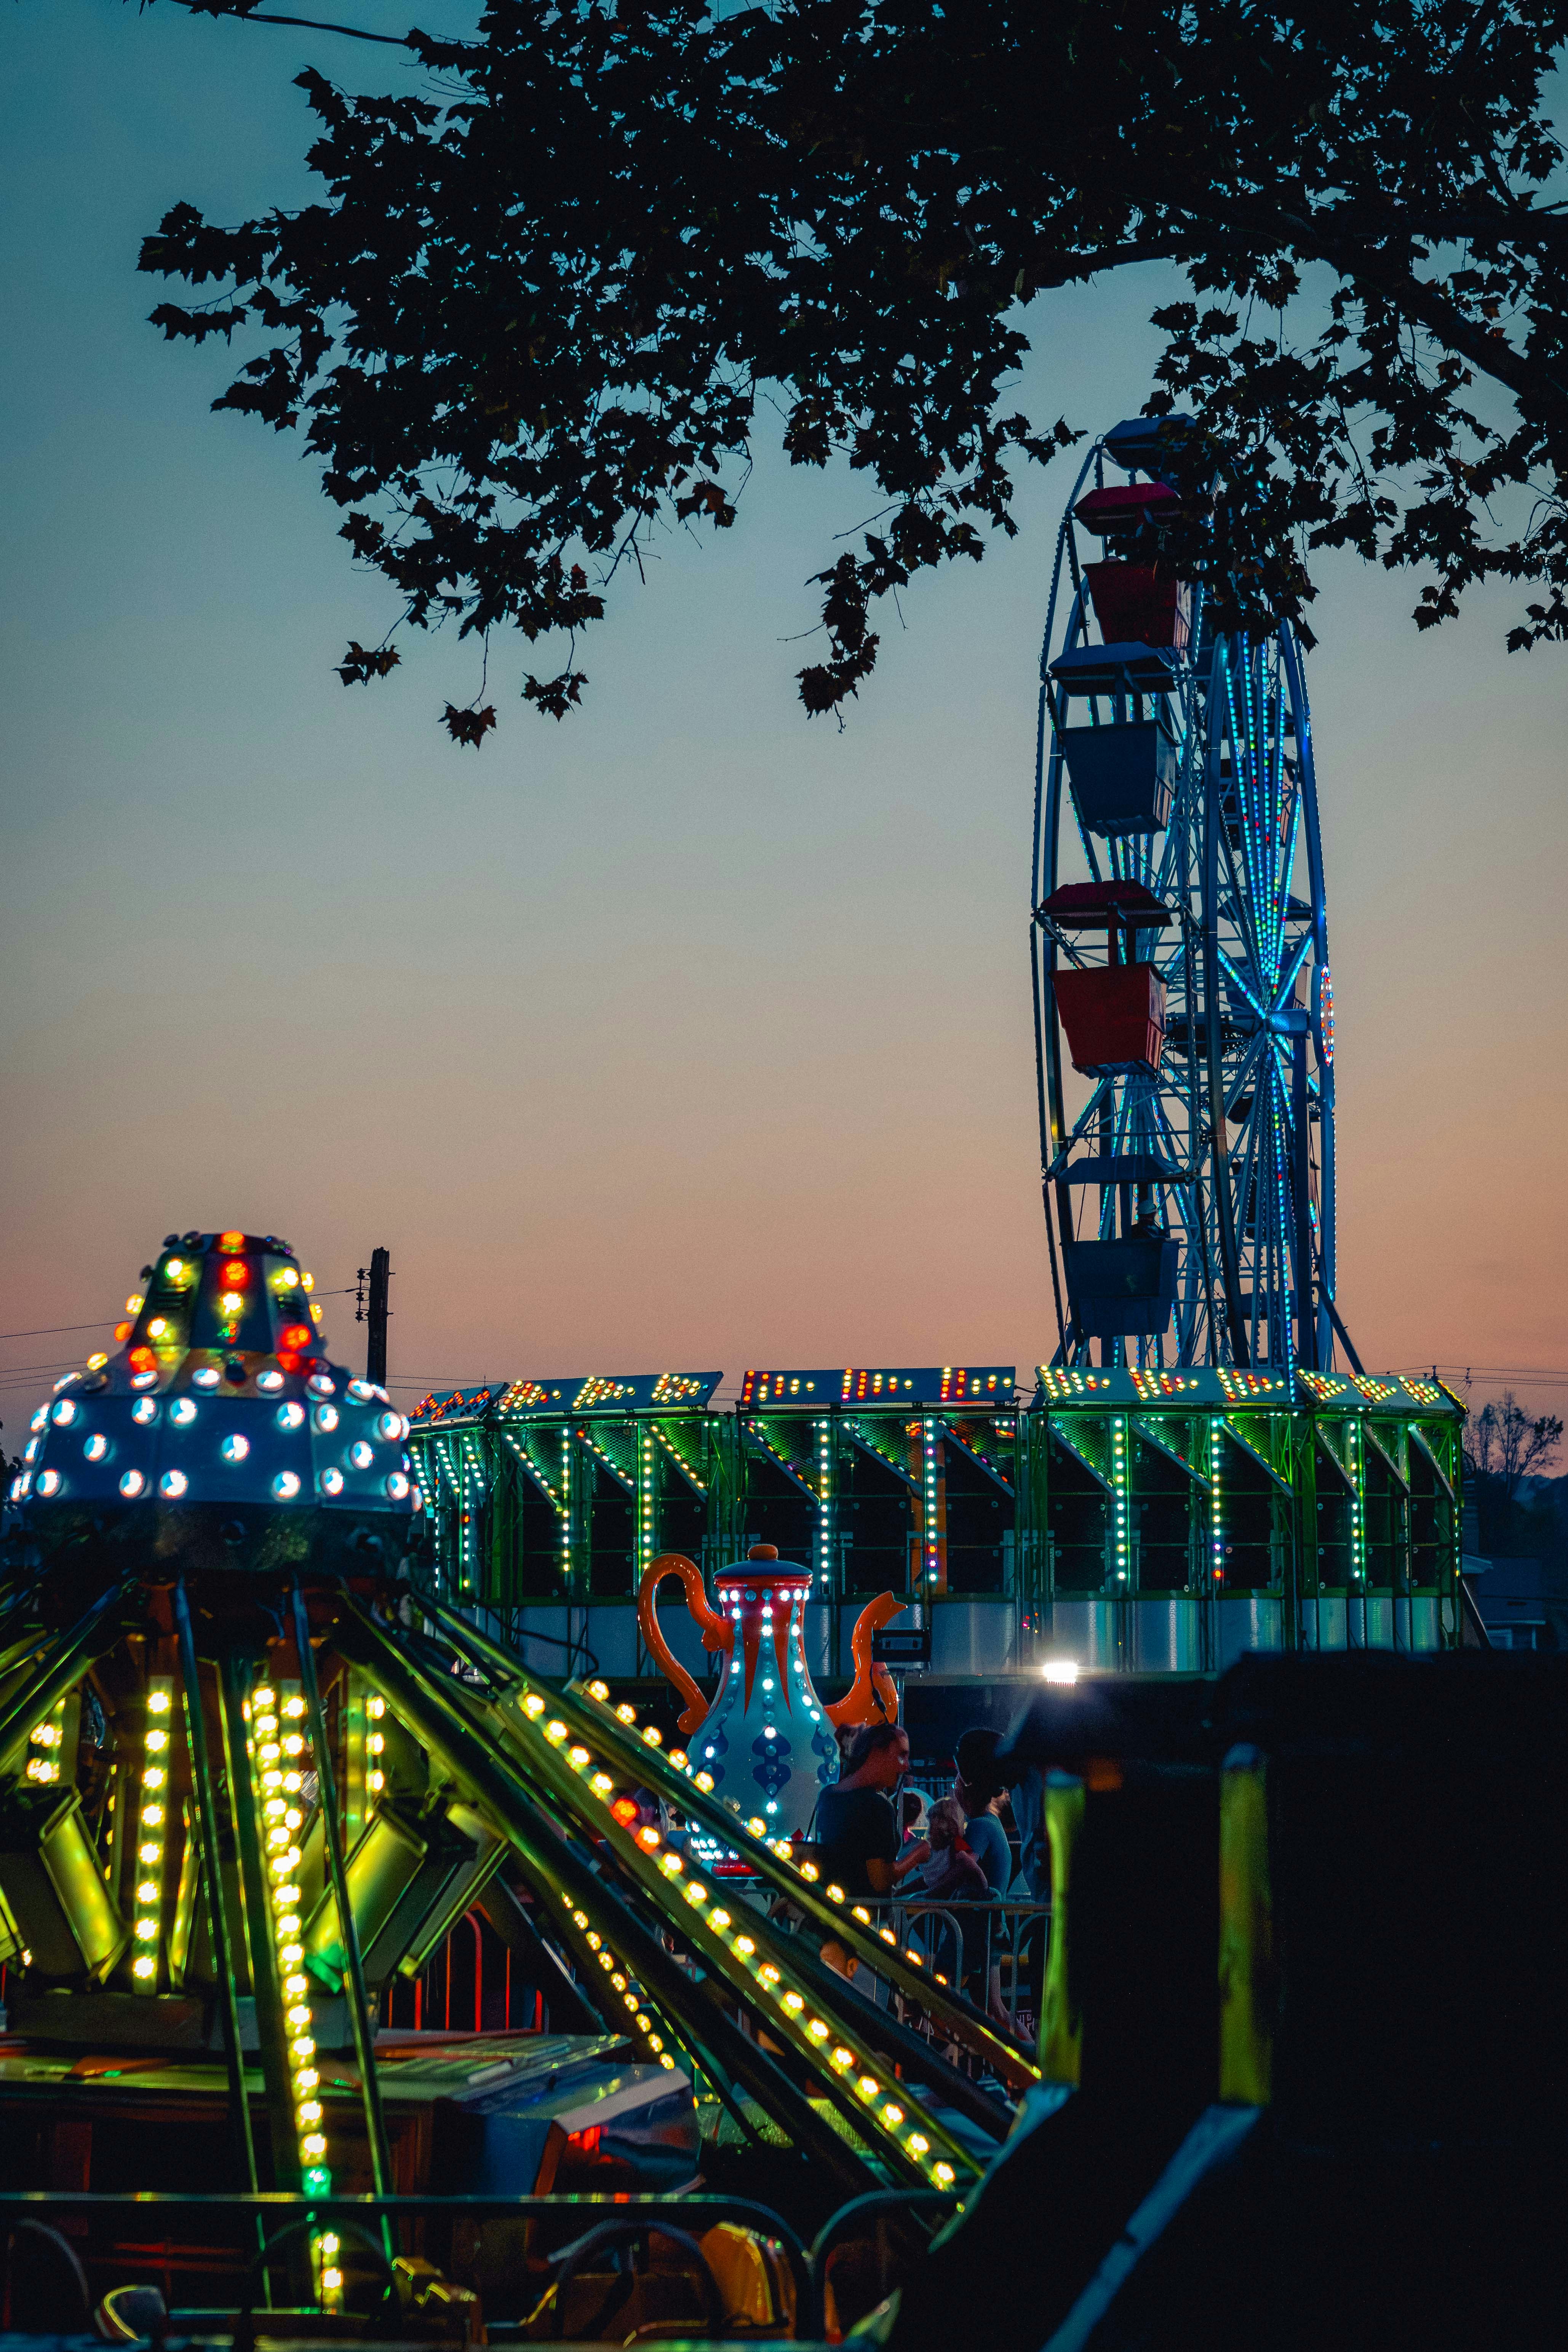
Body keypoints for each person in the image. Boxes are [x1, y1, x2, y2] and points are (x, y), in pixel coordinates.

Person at [953, 1728, 1015, 1898]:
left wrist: (921, 1896)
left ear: (968, 1785)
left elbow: (957, 1872)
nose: (955, 1786)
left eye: (957, 1778)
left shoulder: (980, 1826)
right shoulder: (990, 1822)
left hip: (979, 1923)